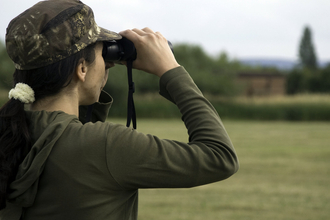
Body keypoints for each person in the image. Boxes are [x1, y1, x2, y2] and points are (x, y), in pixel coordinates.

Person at [0, 0, 239, 219]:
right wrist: (171, 70)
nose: (108, 63)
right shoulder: (104, 146)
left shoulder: (9, 131)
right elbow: (220, 157)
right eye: (101, 52)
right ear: (82, 69)